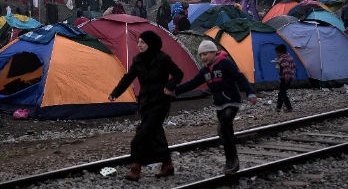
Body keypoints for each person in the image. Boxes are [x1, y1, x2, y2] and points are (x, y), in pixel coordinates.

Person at [168, 40, 257, 175]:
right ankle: (231, 160)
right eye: (201, 55)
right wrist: (176, 91)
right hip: (219, 104)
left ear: (214, 52)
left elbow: (240, 77)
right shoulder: (205, 70)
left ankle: (232, 160)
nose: (204, 57)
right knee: (226, 133)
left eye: (206, 54)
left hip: (231, 101)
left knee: (224, 126)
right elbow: (193, 83)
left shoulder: (226, 64)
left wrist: (250, 92)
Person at [109, 30, 184, 181]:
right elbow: (128, 77)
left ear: (151, 43)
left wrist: (169, 86)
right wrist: (115, 93)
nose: (139, 45)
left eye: (142, 42)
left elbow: (178, 73)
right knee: (156, 132)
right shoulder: (138, 60)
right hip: (145, 103)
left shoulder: (163, 59)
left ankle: (136, 166)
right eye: (139, 42)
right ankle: (167, 164)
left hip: (161, 102)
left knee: (141, 135)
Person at [274, 44, 295, 113]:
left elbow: (286, 70)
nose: (276, 54)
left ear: (281, 52)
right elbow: (293, 67)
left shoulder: (284, 59)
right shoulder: (289, 57)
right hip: (289, 77)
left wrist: (286, 79)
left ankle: (289, 108)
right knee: (281, 93)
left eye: (277, 52)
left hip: (285, 79)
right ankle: (278, 107)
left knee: (282, 93)